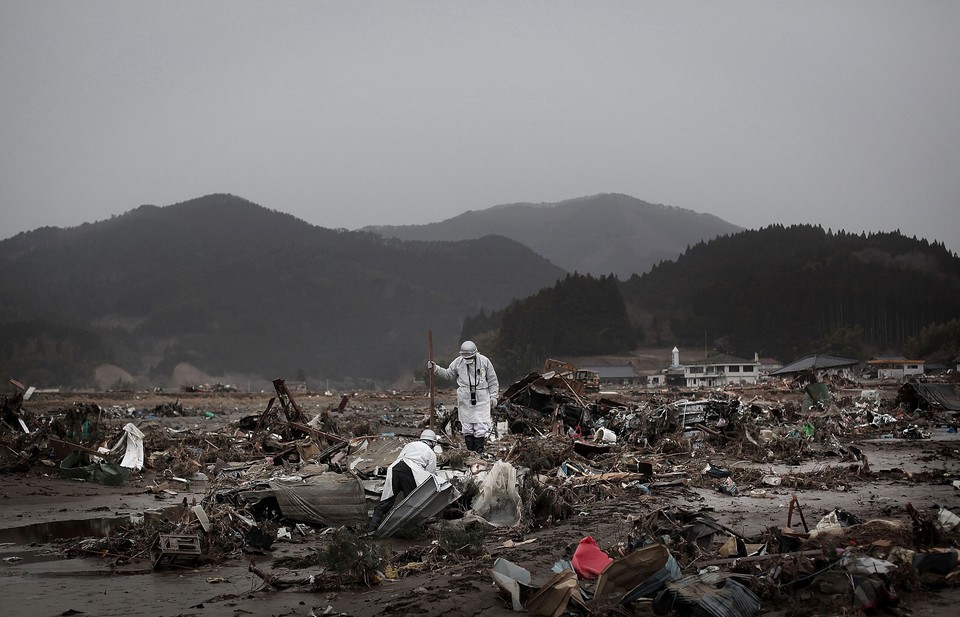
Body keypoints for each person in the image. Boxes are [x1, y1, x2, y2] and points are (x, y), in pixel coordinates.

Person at [428, 340, 499, 455]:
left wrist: (493, 396)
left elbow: (492, 380)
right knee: (467, 426)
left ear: (475, 354)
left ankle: (479, 451)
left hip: (481, 396)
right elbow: (448, 374)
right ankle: (470, 451)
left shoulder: (484, 362)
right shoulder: (458, 362)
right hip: (465, 398)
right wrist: (436, 369)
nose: (468, 360)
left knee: (481, 426)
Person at [370, 429, 438, 529]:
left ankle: (373, 524)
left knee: (388, 499)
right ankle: (414, 528)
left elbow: (400, 457)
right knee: (412, 501)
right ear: (432, 442)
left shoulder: (410, 445)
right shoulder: (431, 453)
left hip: (395, 468)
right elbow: (428, 476)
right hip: (410, 470)